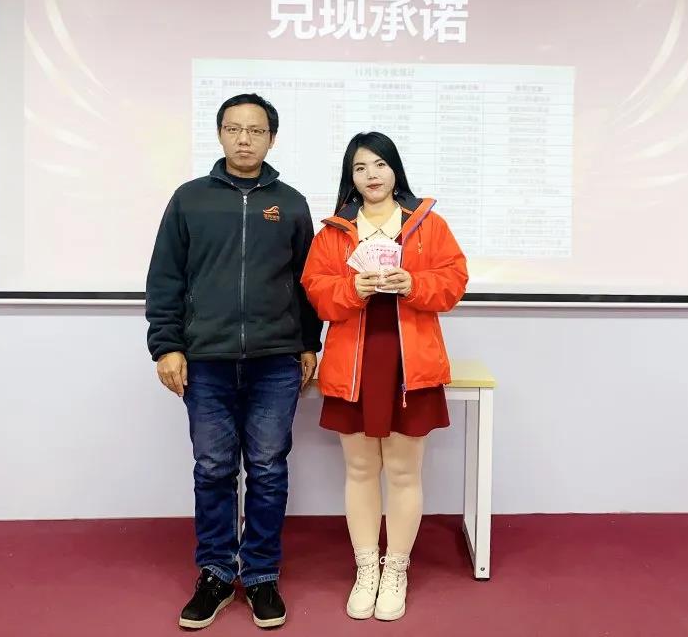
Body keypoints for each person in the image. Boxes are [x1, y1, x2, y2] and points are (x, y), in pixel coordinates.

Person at [145, 93, 322, 630]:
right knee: (213, 469)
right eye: (233, 128)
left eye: (256, 130)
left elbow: (307, 283)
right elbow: (165, 278)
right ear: (220, 134)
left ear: (272, 138)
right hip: (207, 361)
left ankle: (262, 574)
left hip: (275, 360)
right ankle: (217, 573)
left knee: (268, 469)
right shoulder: (189, 200)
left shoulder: (291, 204)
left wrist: (308, 342)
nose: (244, 139)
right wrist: (166, 345)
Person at [300, 132, 468, 622]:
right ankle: (366, 568)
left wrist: (415, 282)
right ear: (349, 177)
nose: (371, 175)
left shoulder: (427, 224)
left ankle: (396, 568)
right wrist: (352, 287)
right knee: (358, 470)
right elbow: (316, 290)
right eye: (360, 167)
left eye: (379, 164)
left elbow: (454, 281)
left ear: (395, 170)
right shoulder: (334, 231)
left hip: (410, 364)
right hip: (353, 364)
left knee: (403, 471)